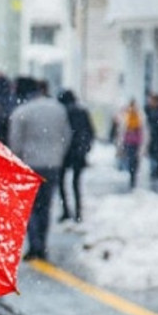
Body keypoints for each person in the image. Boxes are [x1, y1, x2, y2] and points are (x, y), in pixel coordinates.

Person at [7, 77, 71, 261]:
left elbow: (15, 142)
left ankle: (35, 244)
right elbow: (66, 136)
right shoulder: (58, 109)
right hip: (53, 163)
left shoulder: (22, 112)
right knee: (46, 206)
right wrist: (58, 155)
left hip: (30, 164)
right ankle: (42, 243)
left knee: (31, 207)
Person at [57, 89, 95, 223]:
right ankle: (78, 212)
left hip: (65, 151)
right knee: (76, 183)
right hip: (79, 151)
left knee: (61, 182)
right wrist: (86, 147)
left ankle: (66, 210)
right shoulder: (82, 112)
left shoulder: (62, 112)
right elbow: (90, 131)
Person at [121, 98, 144, 189]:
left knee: (135, 161)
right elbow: (122, 131)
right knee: (131, 160)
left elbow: (143, 130)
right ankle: (132, 177)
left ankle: (133, 177)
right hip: (129, 142)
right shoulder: (127, 116)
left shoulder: (139, 116)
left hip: (137, 142)